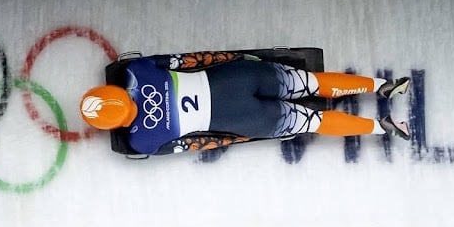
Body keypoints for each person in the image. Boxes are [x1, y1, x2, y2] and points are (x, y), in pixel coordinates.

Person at [79, 50, 413, 155]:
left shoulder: (142, 140)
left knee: (314, 122)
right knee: (311, 82)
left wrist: (236, 137)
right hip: (238, 77)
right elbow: (188, 60)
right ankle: (383, 86)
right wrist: (238, 59)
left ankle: (381, 128)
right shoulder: (137, 70)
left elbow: (193, 144)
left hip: (247, 119)